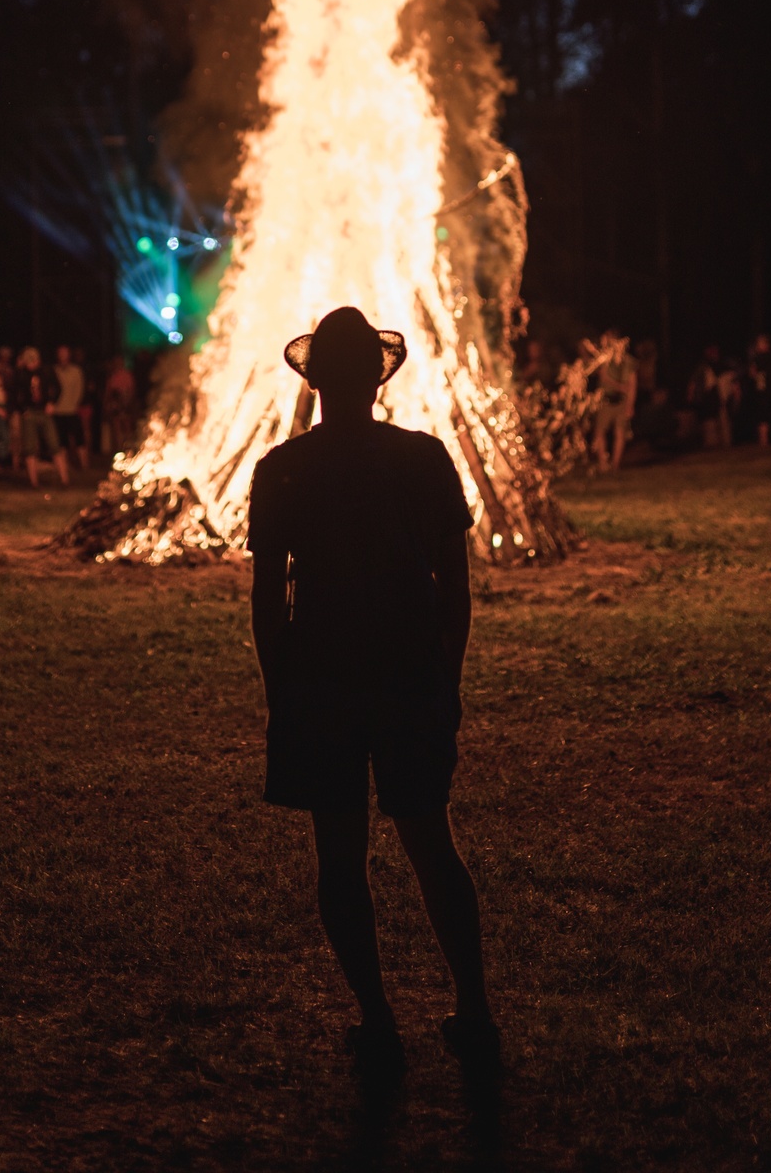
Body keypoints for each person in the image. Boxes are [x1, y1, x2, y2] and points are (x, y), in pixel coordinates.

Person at [249, 306, 498, 1080]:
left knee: (340, 854)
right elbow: (454, 589)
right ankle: (475, 1010)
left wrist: (278, 690)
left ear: (316, 380)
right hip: (408, 675)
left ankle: (377, 1017)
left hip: (321, 678)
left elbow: (266, 600)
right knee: (431, 844)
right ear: (378, 378)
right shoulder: (424, 459)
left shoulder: (283, 468)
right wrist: (447, 679)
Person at [11, 346, 69, 489]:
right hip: (29, 413)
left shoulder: (46, 371)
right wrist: (22, 409)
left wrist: (52, 402)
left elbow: (58, 388)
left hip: (44, 412)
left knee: (54, 445)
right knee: (29, 448)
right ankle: (34, 483)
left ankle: (65, 481)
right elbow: (13, 393)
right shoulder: (21, 374)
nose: (30, 365)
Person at [592, 332, 637, 472]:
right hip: (606, 400)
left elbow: (633, 385)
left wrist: (630, 405)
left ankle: (615, 464)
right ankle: (603, 464)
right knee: (600, 431)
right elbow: (604, 377)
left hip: (621, 402)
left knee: (620, 433)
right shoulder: (605, 360)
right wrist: (621, 387)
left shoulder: (629, 362)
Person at [50, 344, 88, 470]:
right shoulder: (54, 370)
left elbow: (79, 389)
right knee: (62, 441)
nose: (63, 356)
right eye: (60, 353)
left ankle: (84, 465)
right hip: (58, 411)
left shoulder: (76, 371)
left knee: (79, 439)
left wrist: (75, 404)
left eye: (65, 353)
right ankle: (65, 466)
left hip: (72, 410)